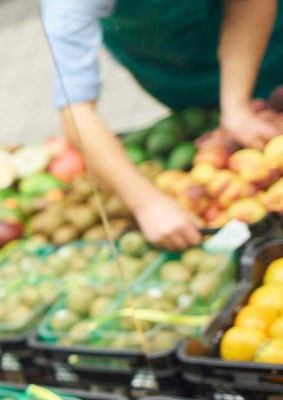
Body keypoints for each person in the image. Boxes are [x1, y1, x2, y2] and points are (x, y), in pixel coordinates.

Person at [41, 0, 283, 249]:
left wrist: (236, 106)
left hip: (264, 38)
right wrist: (147, 203)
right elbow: (75, 109)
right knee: (202, 119)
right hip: (172, 64)